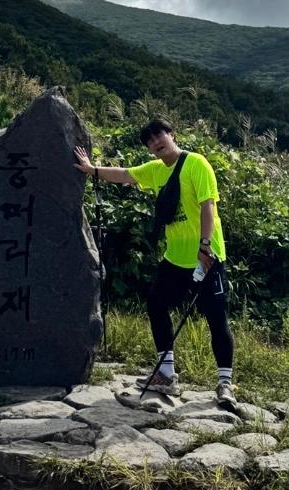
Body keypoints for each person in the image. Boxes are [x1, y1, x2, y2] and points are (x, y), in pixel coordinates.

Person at [73, 119, 237, 411]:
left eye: (159, 135)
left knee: (216, 317)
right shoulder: (157, 170)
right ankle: (166, 373)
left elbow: (208, 206)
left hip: (206, 255)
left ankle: (225, 383)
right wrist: (91, 169)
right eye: (149, 141)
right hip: (175, 257)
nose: (155, 142)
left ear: (172, 134)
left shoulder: (196, 164)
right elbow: (125, 174)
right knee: (156, 304)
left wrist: (205, 245)